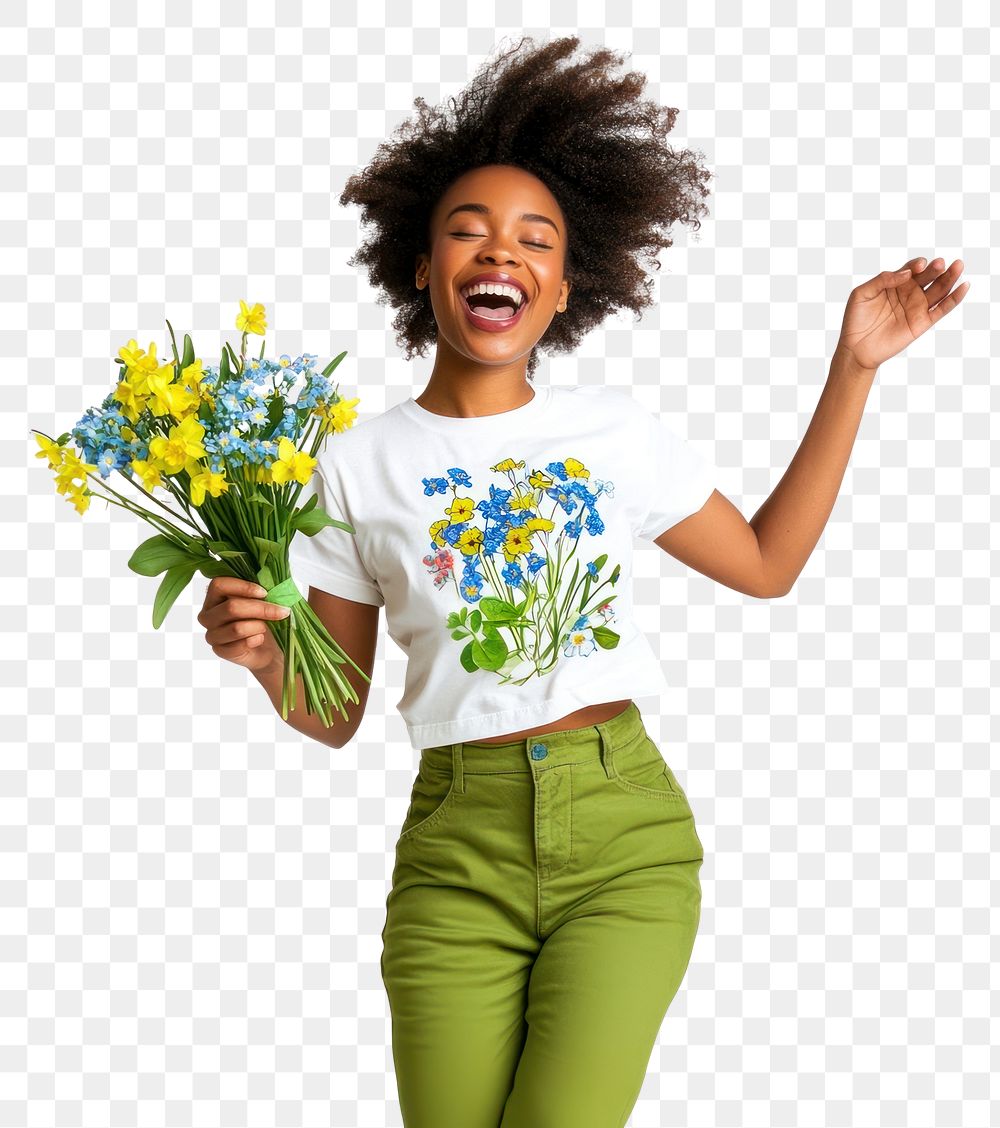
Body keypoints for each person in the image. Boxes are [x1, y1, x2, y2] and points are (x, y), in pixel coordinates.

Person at [196, 35, 968, 1128]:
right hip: (452, 853)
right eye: (466, 229)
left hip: (622, 839)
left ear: (562, 287)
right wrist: (266, 657)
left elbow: (765, 564)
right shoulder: (348, 464)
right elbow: (330, 716)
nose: (496, 251)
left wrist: (851, 370)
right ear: (423, 267)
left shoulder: (608, 433)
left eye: (533, 239)